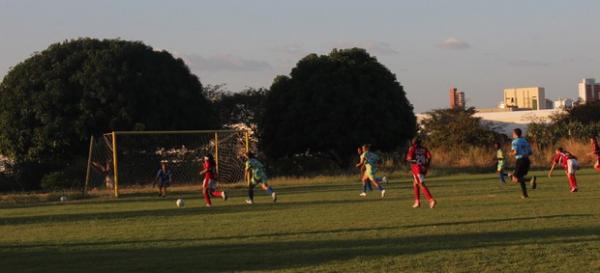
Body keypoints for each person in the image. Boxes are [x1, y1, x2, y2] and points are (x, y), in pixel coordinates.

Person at [406, 138, 436, 208]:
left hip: (417, 168)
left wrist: (415, 162)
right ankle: (417, 201)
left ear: (414, 143)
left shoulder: (412, 148)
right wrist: (426, 165)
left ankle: (431, 200)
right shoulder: (424, 149)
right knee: (415, 183)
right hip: (423, 168)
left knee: (421, 184)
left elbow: (409, 159)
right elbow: (429, 157)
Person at [509, 128, 537, 198]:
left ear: (515, 134)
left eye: (513, 133)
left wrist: (510, 154)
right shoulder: (525, 141)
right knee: (520, 177)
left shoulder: (515, 142)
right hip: (526, 160)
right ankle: (525, 194)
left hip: (520, 160)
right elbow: (530, 152)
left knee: (514, 178)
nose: (512, 135)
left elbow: (515, 151)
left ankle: (530, 179)